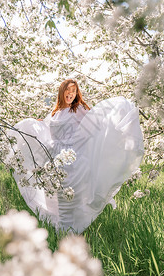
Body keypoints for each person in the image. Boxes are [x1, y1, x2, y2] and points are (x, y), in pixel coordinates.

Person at [8, 79, 144, 233]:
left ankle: (71, 231)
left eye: (74, 91)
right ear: (62, 92)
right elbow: (47, 128)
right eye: (68, 90)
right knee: (53, 197)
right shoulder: (55, 113)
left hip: (71, 158)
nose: (71, 94)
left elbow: (94, 123)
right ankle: (61, 231)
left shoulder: (78, 110)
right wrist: (36, 124)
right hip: (53, 159)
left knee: (68, 196)